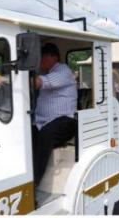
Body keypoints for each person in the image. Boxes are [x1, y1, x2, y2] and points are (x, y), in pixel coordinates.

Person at [32, 42, 77, 185]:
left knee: (45, 135)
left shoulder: (63, 71)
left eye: (42, 58)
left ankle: (33, 183)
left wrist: (7, 79)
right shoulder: (48, 74)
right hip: (44, 122)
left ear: (53, 57)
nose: (40, 62)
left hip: (65, 121)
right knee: (25, 133)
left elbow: (37, 83)